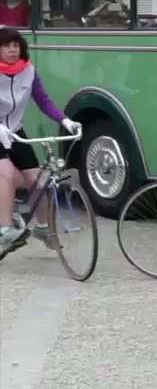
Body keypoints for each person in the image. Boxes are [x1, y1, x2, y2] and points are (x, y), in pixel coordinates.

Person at [0, 28, 80, 248]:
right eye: (6, 46)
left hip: (15, 131)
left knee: (38, 179)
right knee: (5, 173)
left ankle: (43, 228)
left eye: (15, 45)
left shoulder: (28, 71)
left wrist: (65, 121)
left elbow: (43, 101)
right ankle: (4, 231)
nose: (12, 49)